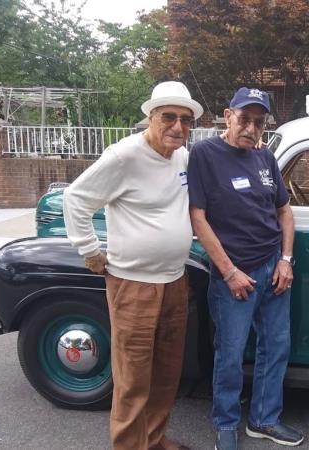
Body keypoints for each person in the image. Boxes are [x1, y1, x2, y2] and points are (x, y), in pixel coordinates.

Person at [63, 81, 203, 450]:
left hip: (174, 280)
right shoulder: (124, 156)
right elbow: (75, 199)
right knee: (133, 378)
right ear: (151, 118)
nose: (178, 126)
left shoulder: (182, 157)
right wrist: (89, 250)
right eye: (168, 117)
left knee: (166, 374)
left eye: (185, 120)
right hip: (133, 284)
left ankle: (153, 441)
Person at [187, 87, 304, 450]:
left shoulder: (265, 157)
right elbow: (198, 217)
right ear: (227, 115)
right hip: (234, 272)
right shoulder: (205, 154)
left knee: (276, 346)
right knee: (231, 351)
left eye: (258, 121)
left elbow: (284, 210)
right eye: (244, 118)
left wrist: (286, 260)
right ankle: (225, 421)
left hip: (272, 267)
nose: (251, 127)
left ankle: (264, 420)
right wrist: (229, 271)